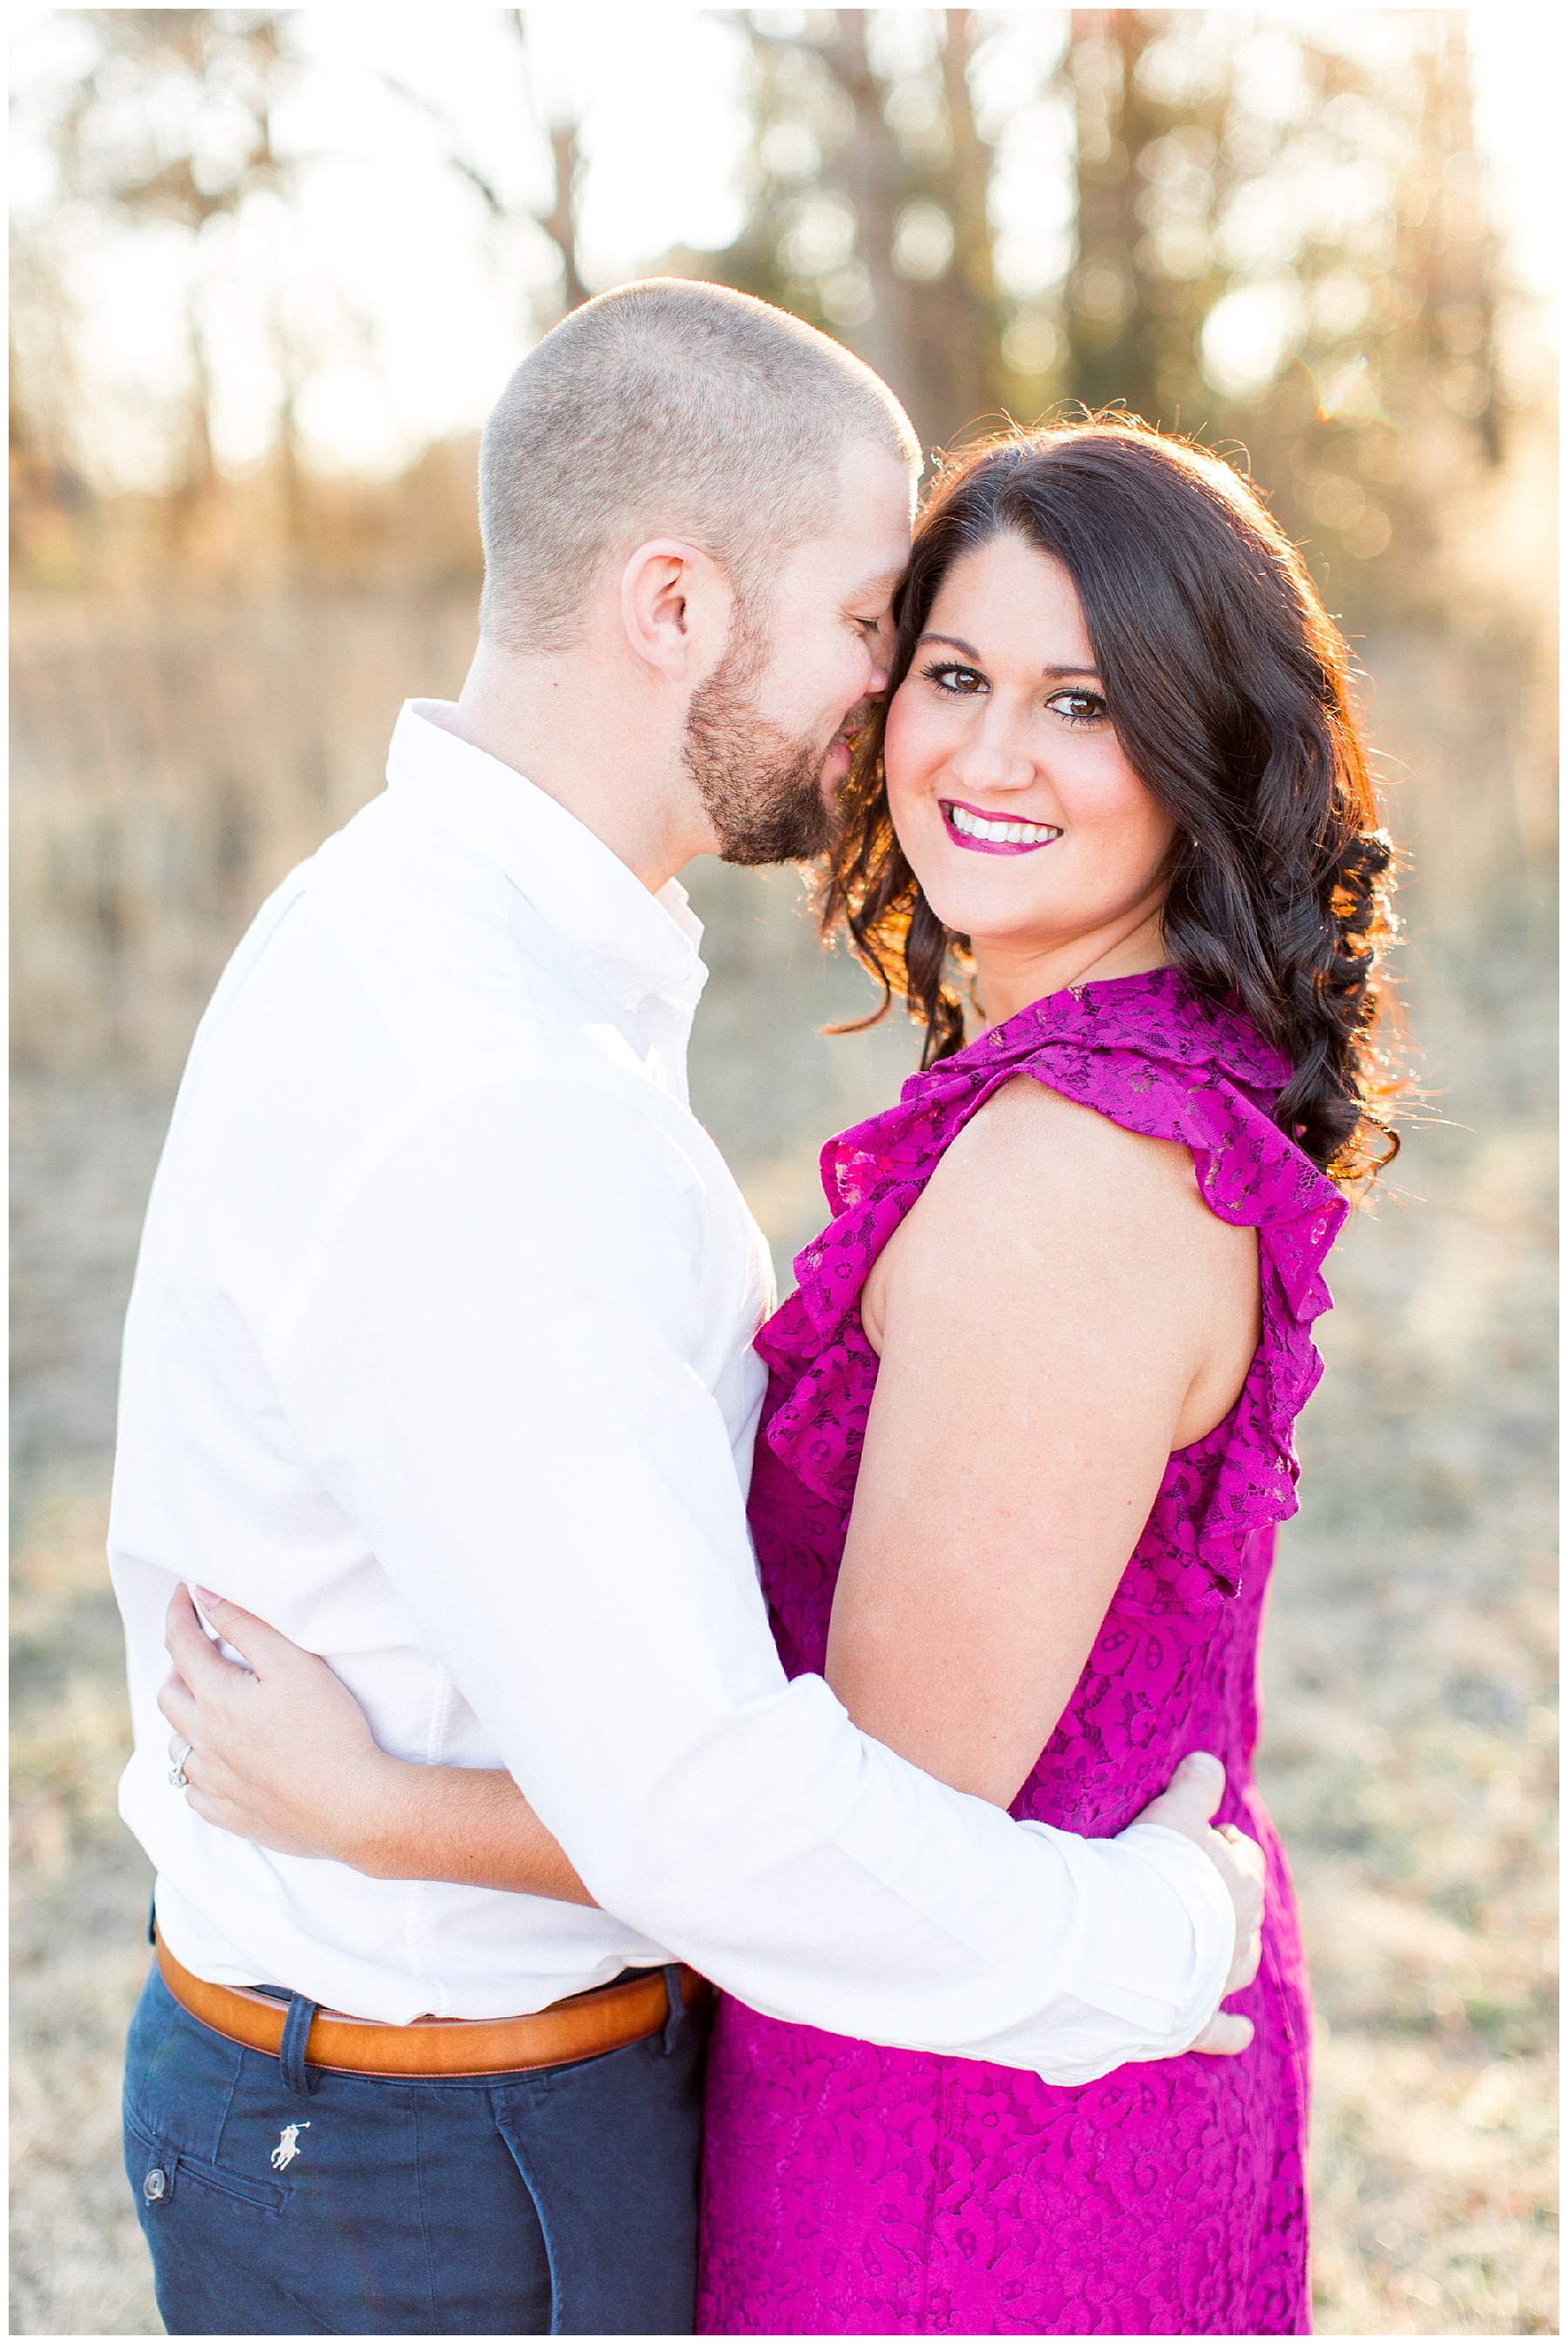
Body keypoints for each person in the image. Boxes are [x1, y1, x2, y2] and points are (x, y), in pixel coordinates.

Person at [159, 419, 1398, 2334]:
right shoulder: (1095, 1079)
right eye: (952, 674)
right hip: (965, 2048)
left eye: (1081, 700)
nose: (989, 754)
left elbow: (853, 1810)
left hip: (970, 2133)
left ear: (1199, 743)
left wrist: (378, 1807)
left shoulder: (1073, 1172)